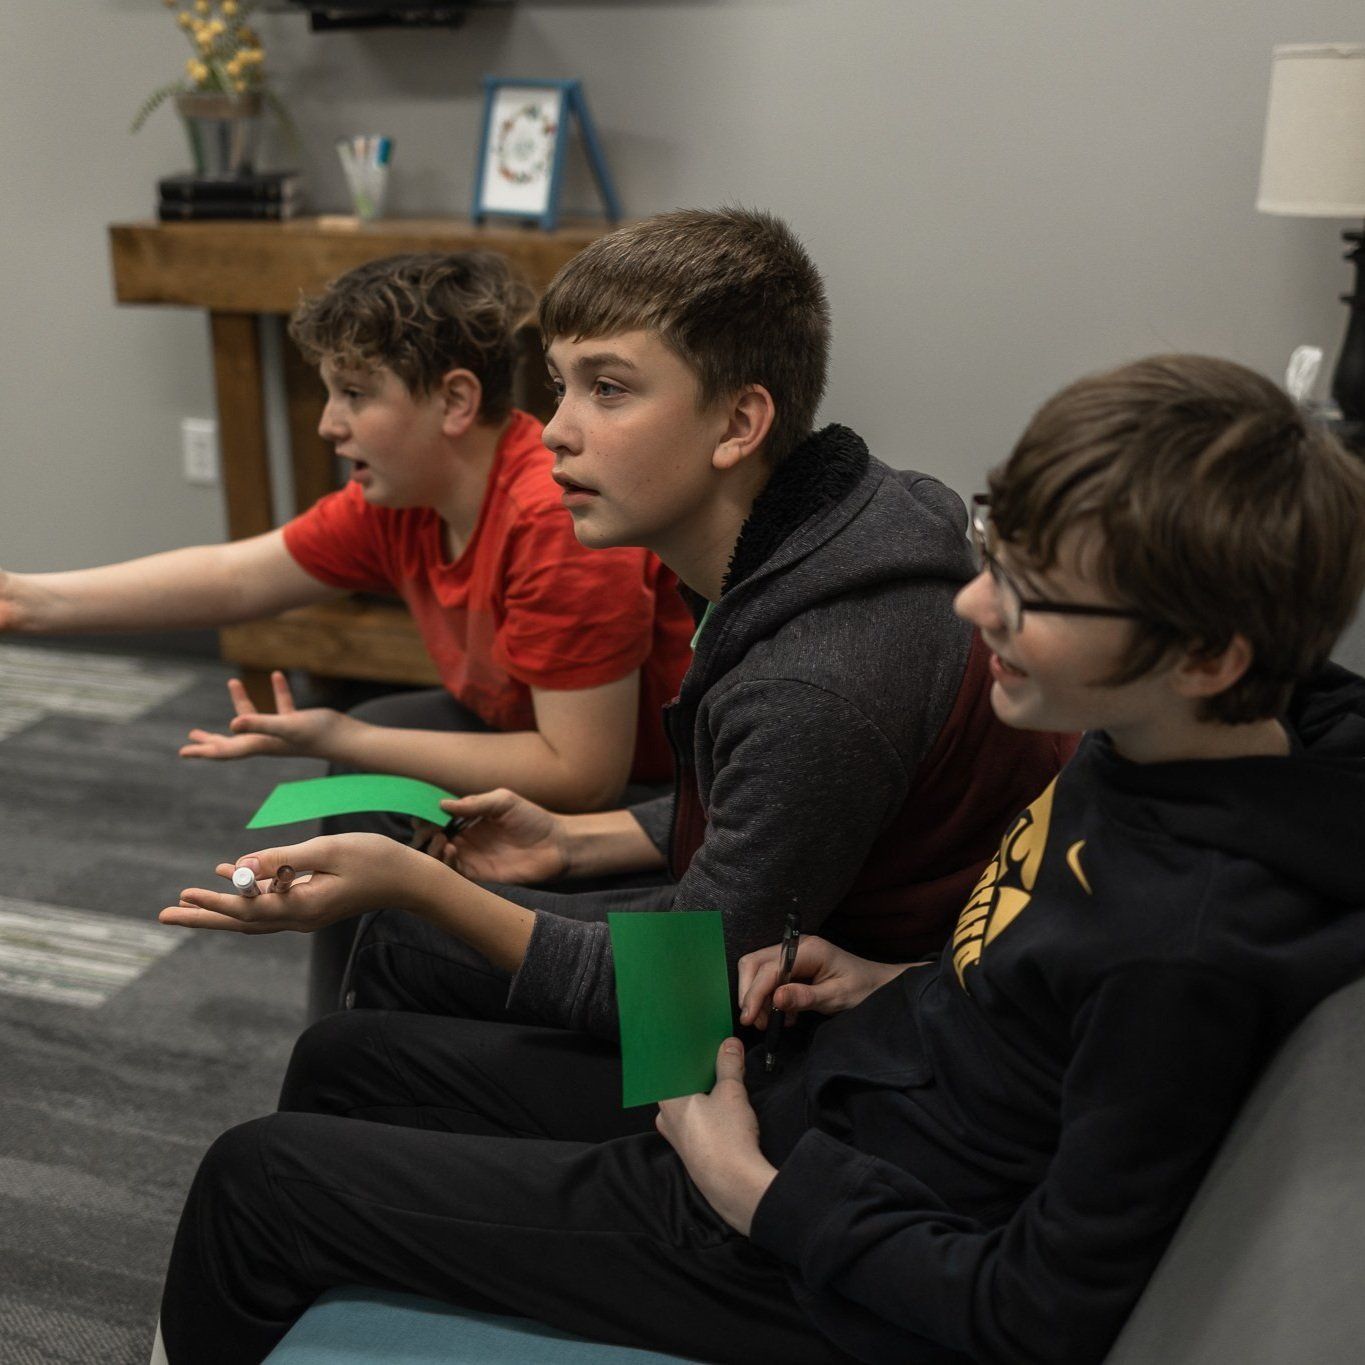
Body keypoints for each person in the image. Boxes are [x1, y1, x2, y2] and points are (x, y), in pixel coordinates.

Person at [158, 354, 1365, 1364]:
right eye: (998, 553)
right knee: (351, 1053)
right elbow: (1039, 988)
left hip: (807, 1221)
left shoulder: (1183, 936)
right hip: (838, 1072)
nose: (974, 606)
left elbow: (1038, 1312)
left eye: (609, 388)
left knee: (259, 1178)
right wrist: (898, 980)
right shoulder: (1160, 740)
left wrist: (753, 1190)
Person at [165, 207, 1068, 1036]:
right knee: (386, 963)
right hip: (768, 938)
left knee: (389, 966)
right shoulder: (811, 537)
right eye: (559, 386)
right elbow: (752, 801)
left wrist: (419, 885)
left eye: (607, 389)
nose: (554, 430)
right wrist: (571, 841)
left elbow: (683, 990)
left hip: (833, 1038)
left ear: (739, 421)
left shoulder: (815, 674)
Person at [0, 251, 693, 812]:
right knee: (362, 780)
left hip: (661, 798)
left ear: (455, 400)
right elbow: (237, 575)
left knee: (368, 779)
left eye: (355, 394)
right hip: (533, 737)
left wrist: (348, 734)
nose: (329, 424)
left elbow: (584, 776)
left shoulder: (553, 522)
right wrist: (25, 600)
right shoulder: (399, 500)